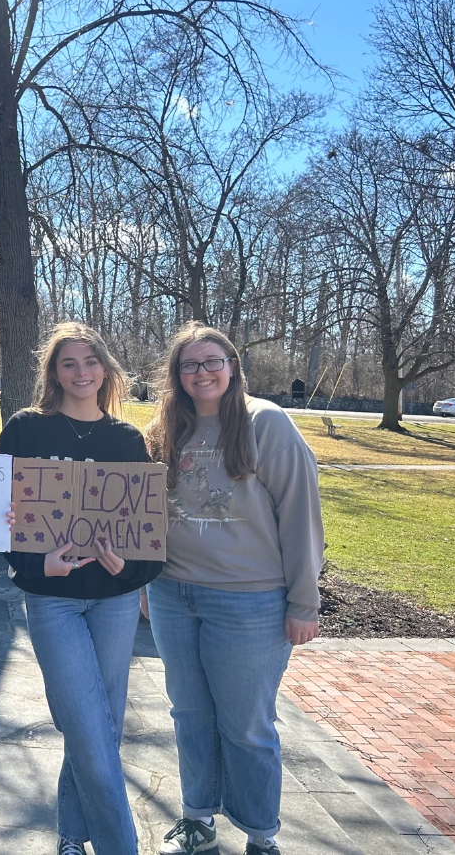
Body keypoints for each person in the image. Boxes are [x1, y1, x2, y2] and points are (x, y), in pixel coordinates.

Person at [141, 322, 323, 855]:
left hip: (250, 603)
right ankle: (197, 818)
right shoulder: (165, 430)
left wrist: (303, 601)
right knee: (190, 714)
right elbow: (148, 515)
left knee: (246, 724)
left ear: (233, 367)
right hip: (175, 595)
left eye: (213, 361)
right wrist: (144, 586)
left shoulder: (267, 423)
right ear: (176, 375)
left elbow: (300, 517)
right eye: (190, 365)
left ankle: (261, 833)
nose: (202, 372)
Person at [0, 322, 163, 855]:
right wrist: (33, 564)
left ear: (106, 369)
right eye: (69, 363)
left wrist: (125, 568)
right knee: (88, 724)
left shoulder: (127, 439)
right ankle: (122, 845)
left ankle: (72, 835)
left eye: (90, 361)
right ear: (53, 372)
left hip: (112, 600)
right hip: (53, 602)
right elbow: (1, 518)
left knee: (98, 724)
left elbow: (143, 532)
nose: (81, 372)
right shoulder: (25, 429)